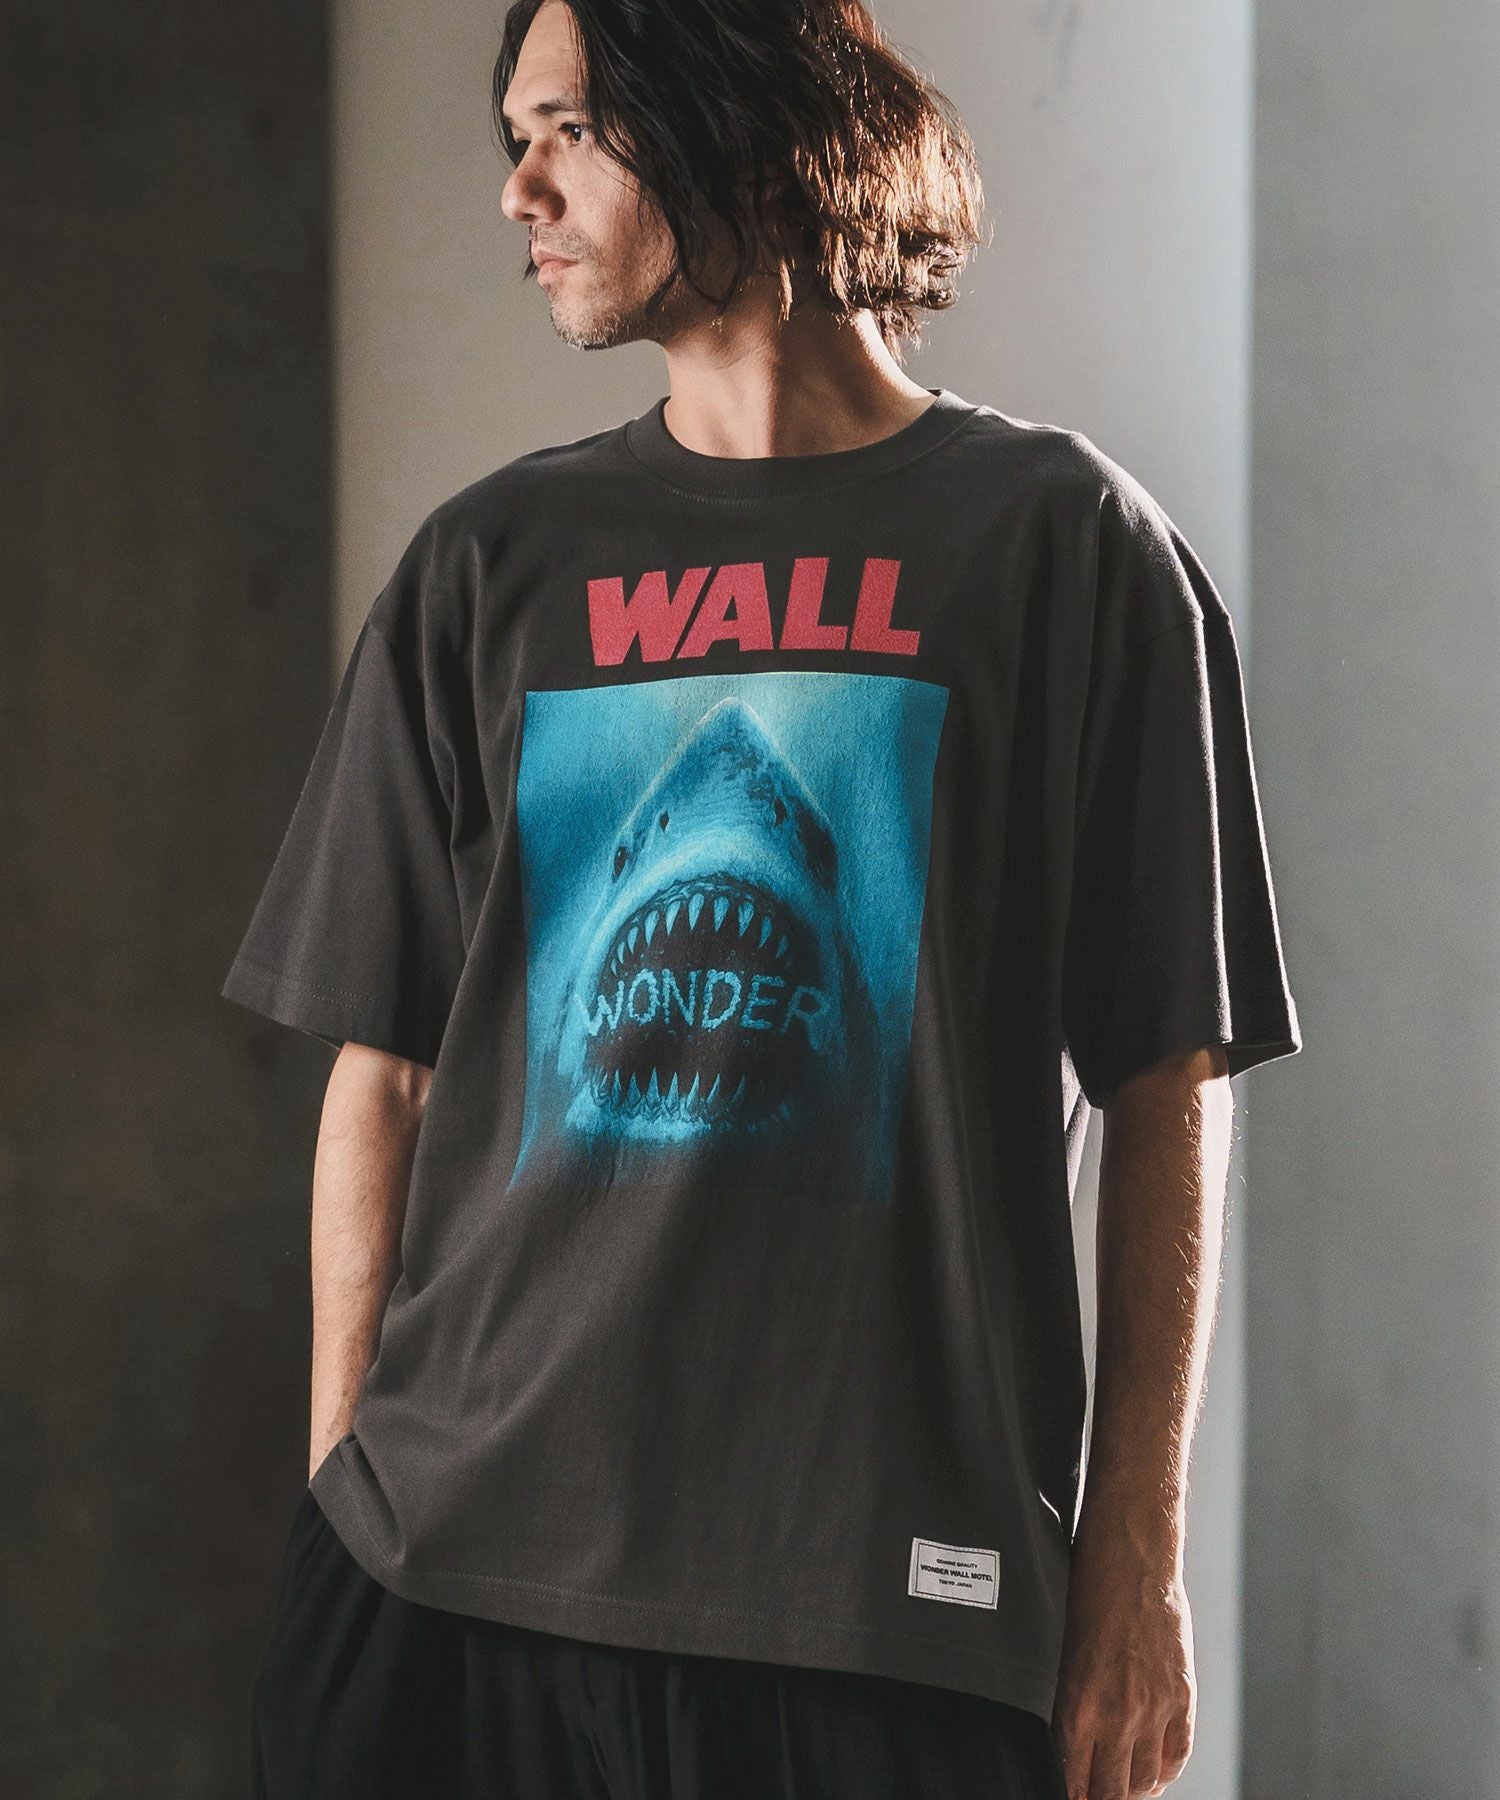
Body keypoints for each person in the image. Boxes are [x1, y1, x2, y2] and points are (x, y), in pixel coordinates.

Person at [222, 1, 1302, 1796]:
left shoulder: (1067, 549)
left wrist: (1133, 1563)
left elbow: (1165, 1078)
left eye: (570, 129)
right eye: (515, 137)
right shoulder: (486, 566)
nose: (520, 192)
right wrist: (345, 1503)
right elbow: (385, 1074)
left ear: (741, 112)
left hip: (891, 1605)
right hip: (453, 1586)